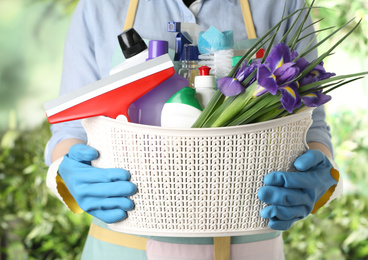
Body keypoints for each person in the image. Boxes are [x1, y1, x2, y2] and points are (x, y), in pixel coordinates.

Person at [45, 0, 343, 259]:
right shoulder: (100, 6)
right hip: (124, 244)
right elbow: (71, 129)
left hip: (251, 245)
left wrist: (318, 178)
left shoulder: (281, 4)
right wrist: (67, 172)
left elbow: (311, 125)